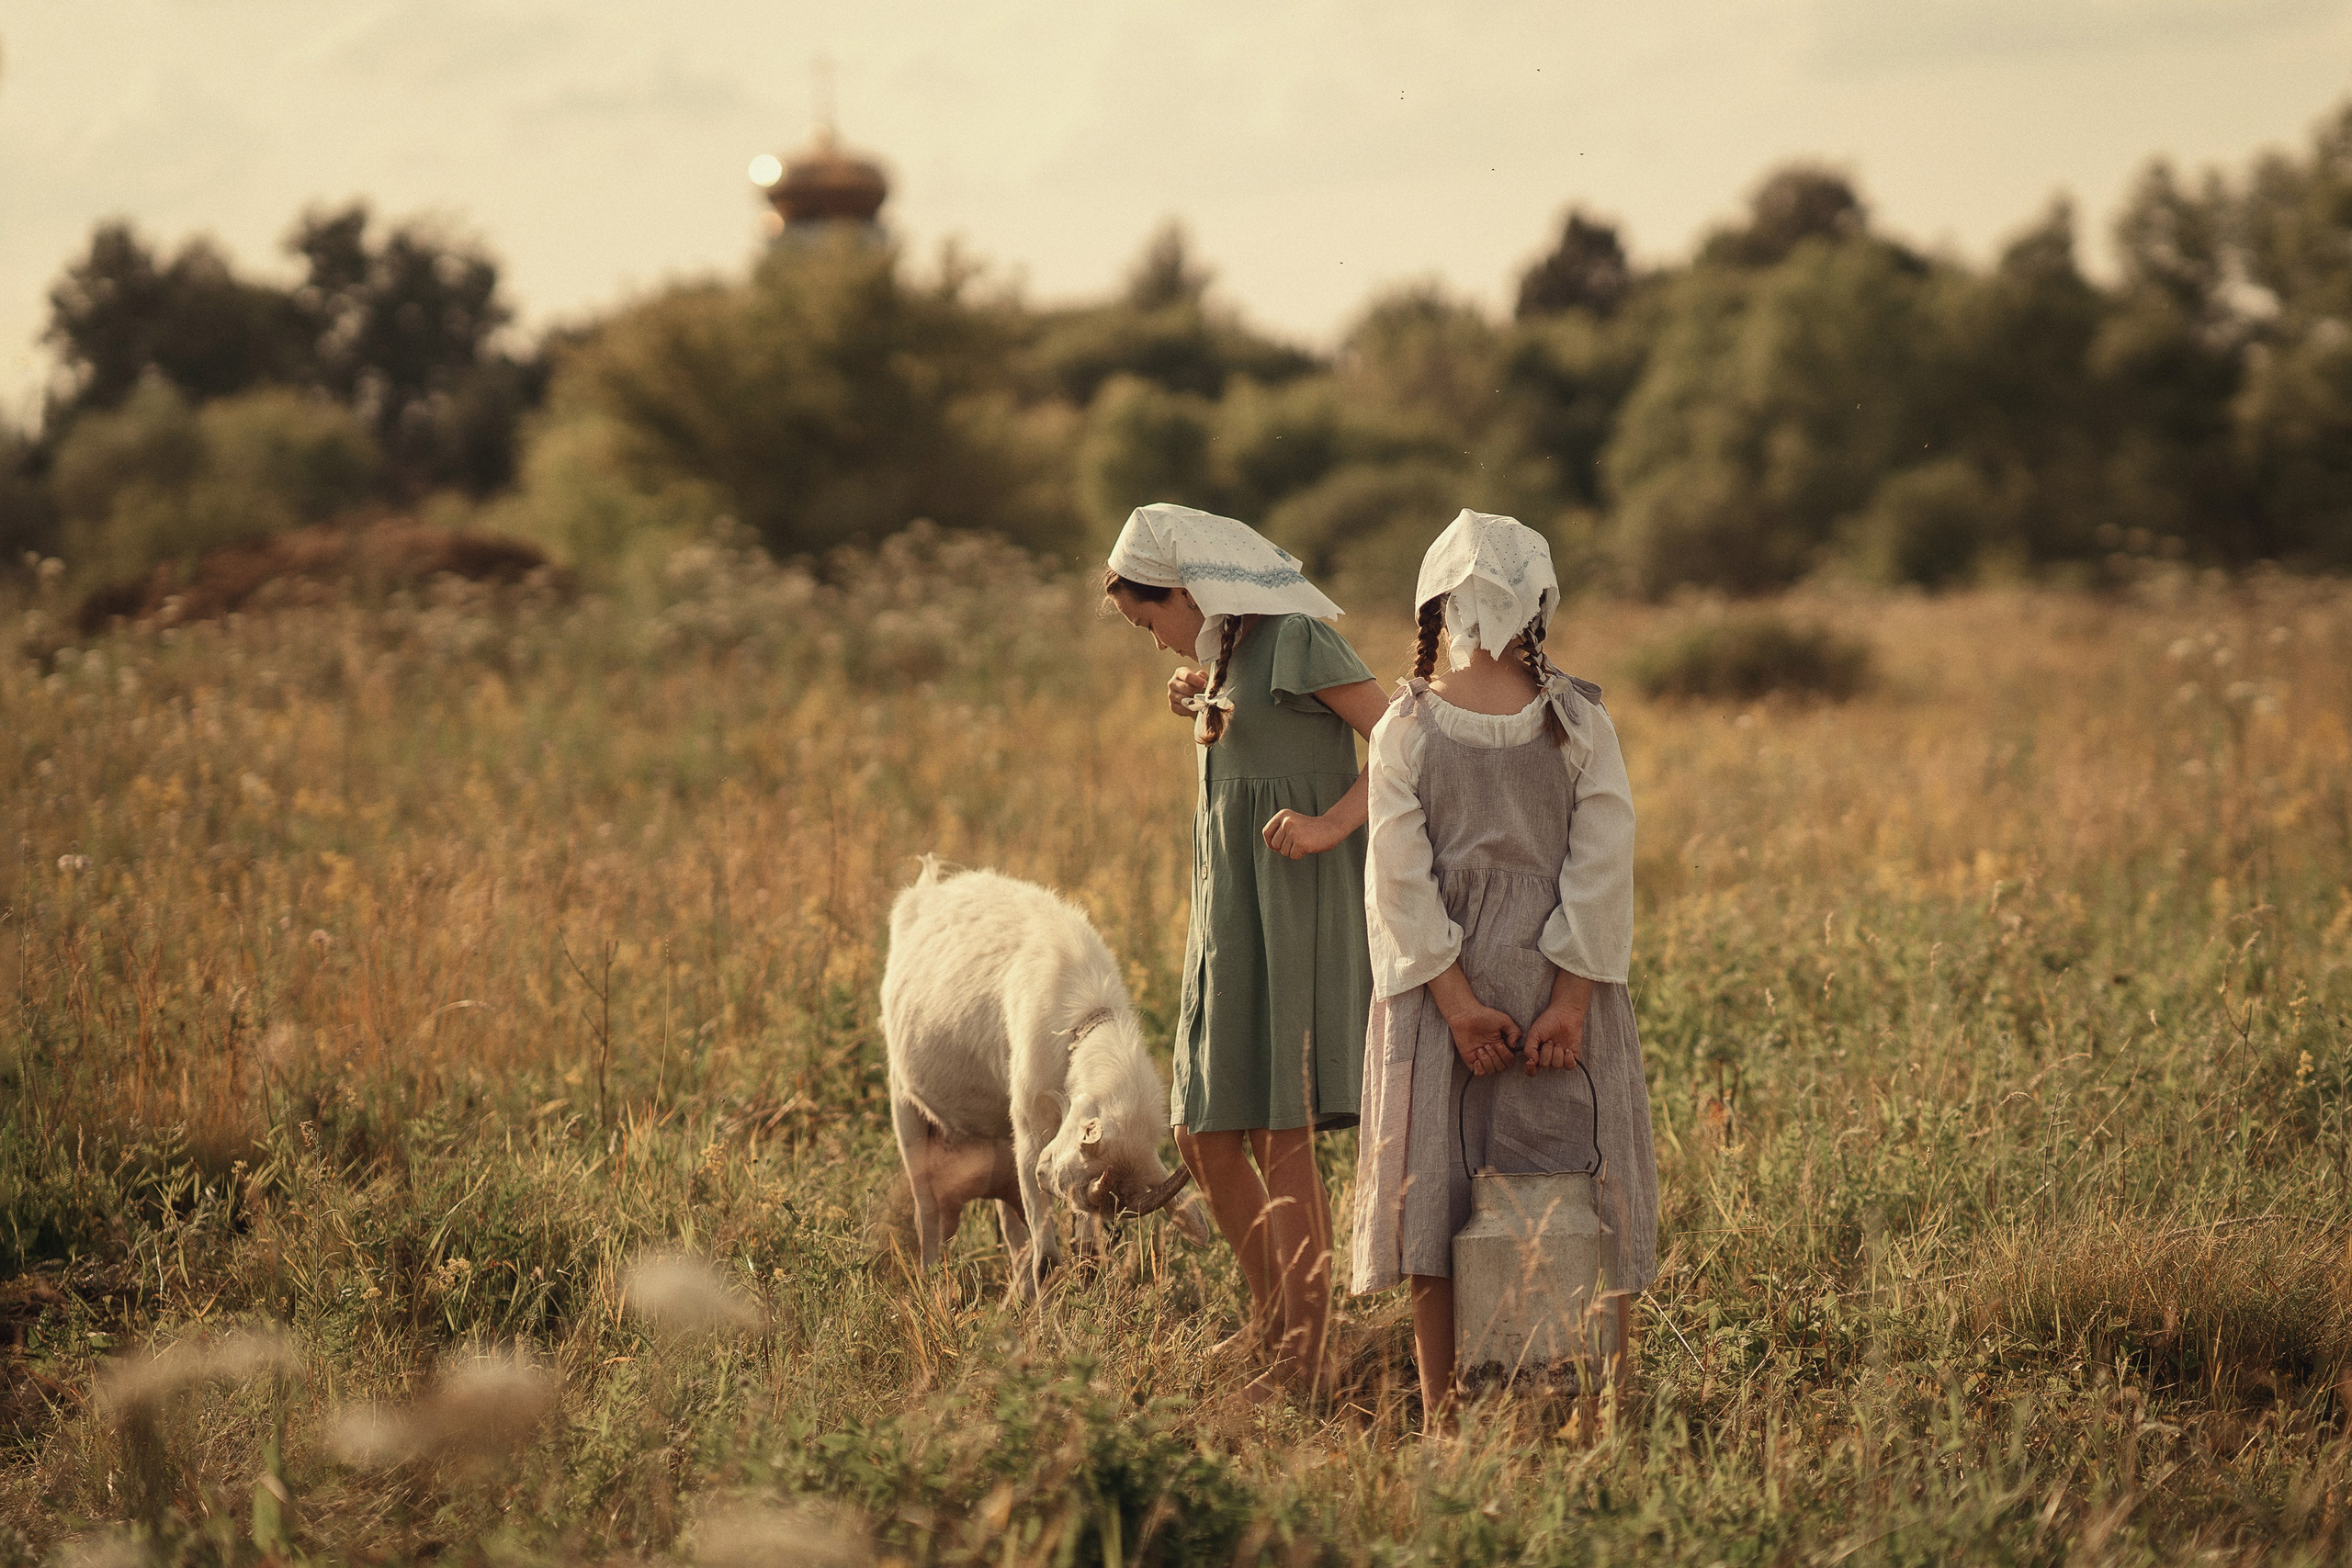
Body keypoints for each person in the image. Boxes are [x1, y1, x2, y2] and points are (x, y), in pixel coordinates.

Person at [1349, 510, 1658, 1427]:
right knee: (1577, 1174)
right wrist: (1567, 1002)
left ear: (1437, 603)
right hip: (1559, 985)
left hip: (1444, 995)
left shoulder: (1405, 728)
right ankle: (1599, 1414)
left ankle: (1450, 1421)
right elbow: (1601, 867)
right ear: (1540, 601)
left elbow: (1397, 882)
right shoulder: (1580, 721)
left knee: (1436, 1198)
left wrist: (1452, 1000)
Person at [1103, 502, 1387, 1395]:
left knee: (1279, 1132)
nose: (1154, 644)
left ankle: (1304, 1352)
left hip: (1298, 903)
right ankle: (1278, 1323)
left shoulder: (1299, 637)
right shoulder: (1222, 652)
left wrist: (1331, 822)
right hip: (1229, 914)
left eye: (1150, 622)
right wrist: (1196, 686)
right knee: (1201, 1133)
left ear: (1187, 590)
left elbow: (1408, 741)